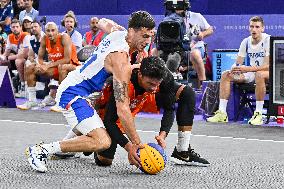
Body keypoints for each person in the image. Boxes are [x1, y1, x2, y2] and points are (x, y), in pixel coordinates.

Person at [25, 11, 156, 173]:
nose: (147, 41)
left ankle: (64, 148)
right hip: (73, 93)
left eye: (150, 36)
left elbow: (102, 21)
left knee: (91, 123)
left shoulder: (118, 32)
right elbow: (123, 109)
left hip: (82, 89)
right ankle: (41, 150)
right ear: (131, 31)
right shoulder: (120, 59)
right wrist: (136, 144)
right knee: (102, 141)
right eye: (144, 36)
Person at [207, 16, 270, 126]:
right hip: (252, 73)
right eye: (251, 26)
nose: (254, 29)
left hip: (268, 74)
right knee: (226, 74)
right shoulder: (245, 42)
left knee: (259, 74)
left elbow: (267, 66)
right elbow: (238, 63)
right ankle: (222, 113)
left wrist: (247, 69)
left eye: (257, 27)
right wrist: (235, 68)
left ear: (262, 28)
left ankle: (258, 114)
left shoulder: (267, 40)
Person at [17, 22, 80, 110]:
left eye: (53, 30)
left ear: (57, 31)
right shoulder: (44, 39)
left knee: (62, 67)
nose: (50, 33)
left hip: (72, 67)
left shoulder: (64, 37)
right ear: (45, 31)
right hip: (56, 67)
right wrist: (41, 65)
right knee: (30, 67)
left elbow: (67, 59)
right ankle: (32, 100)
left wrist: (48, 65)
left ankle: (61, 103)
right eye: (48, 31)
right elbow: (40, 57)